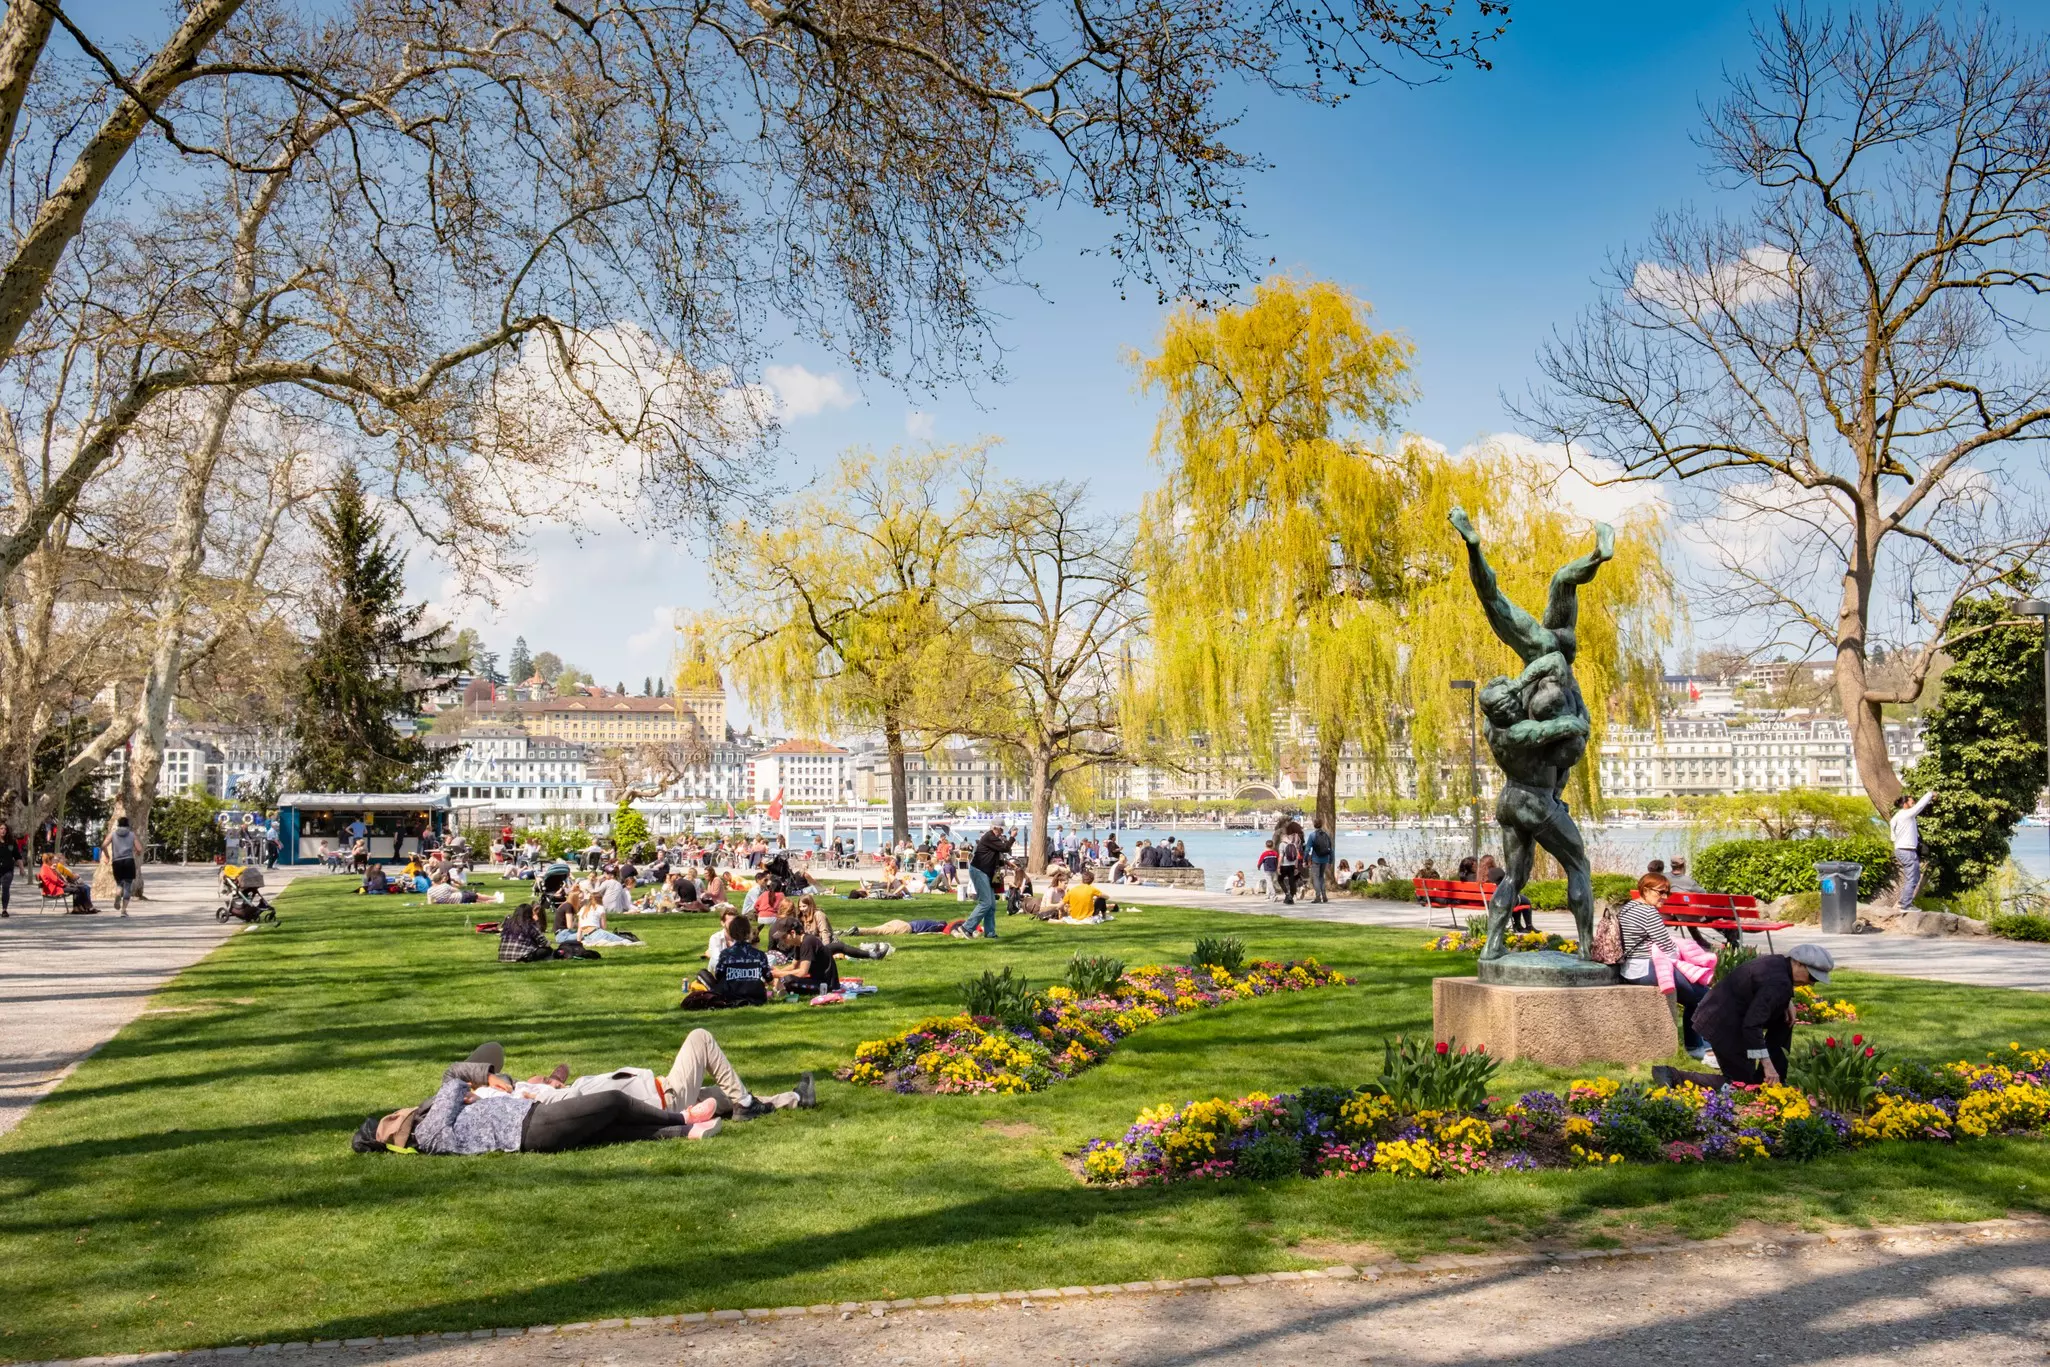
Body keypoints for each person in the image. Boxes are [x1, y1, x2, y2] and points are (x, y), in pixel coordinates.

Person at [351, 1042, 716, 1155]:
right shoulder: (428, 1135)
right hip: (527, 1128)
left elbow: (454, 1078)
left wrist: (481, 1084)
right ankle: (682, 1119)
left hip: (529, 1118)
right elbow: (450, 1087)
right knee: (610, 1103)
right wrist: (463, 1092)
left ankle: (684, 1135)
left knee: (607, 1131)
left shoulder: (432, 1126)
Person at [1688, 944, 1836, 1087]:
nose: (1811, 984)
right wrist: (1767, 1065)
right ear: (1798, 963)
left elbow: (1765, 987)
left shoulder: (1780, 964)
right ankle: (1675, 1076)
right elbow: (1752, 1026)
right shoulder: (1779, 983)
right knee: (1742, 1085)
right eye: (1812, 977)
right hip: (1720, 1023)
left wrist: (1787, 1001)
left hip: (1733, 1018)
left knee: (1784, 1020)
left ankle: (1770, 1080)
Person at [1613, 873, 1708, 1058]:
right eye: (1661, 892)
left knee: (1696, 995)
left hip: (1630, 970)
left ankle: (1697, 1046)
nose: (1665, 897)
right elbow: (1668, 948)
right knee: (1704, 996)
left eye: (1667, 893)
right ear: (1646, 890)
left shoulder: (1628, 907)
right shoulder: (1648, 912)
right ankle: (1698, 1047)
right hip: (1647, 969)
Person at [684, 914, 771, 1009]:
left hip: (731, 996)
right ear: (749, 932)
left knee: (703, 973)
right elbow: (768, 977)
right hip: (757, 997)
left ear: (732, 933)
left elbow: (719, 975)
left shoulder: (726, 954)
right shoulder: (759, 954)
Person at [962, 822, 1012, 940]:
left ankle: (990, 933)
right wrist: (1013, 837)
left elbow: (990, 857)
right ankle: (967, 927)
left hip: (986, 872)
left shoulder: (992, 839)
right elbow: (1005, 848)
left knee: (992, 905)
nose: (1002, 832)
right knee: (986, 903)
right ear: (995, 828)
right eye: (1001, 830)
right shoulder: (989, 837)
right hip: (979, 871)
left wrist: (1005, 863)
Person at [1892, 791, 1935, 908]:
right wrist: (1930, 794)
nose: (1913, 803)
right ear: (1905, 803)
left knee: (1913, 876)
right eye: (1911, 801)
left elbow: (1892, 832)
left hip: (1902, 849)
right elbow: (1920, 806)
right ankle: (1905, 904)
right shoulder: (1907, 814)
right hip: (1907, 851)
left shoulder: (1897, 816)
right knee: (1913, 877)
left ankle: (1903, 902)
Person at [106, 816, 140, 915]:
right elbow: (139, 848)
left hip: (117, 861)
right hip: (129, 861)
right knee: (128, 885)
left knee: (119, 883)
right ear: (128, 825)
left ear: (118, 824)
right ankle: (123, 910)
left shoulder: (112, 834)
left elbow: (103, 845)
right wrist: (137, 852)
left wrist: (107, 856)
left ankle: (117, 894)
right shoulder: (132, 835)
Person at [0, 819, 18, 917]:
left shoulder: (11, 842)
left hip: (8, 870)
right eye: (1, 828)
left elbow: (17, 856)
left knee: (5, 889)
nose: (3, 830)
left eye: (5, 829)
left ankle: (4, 910)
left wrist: (22, 869)